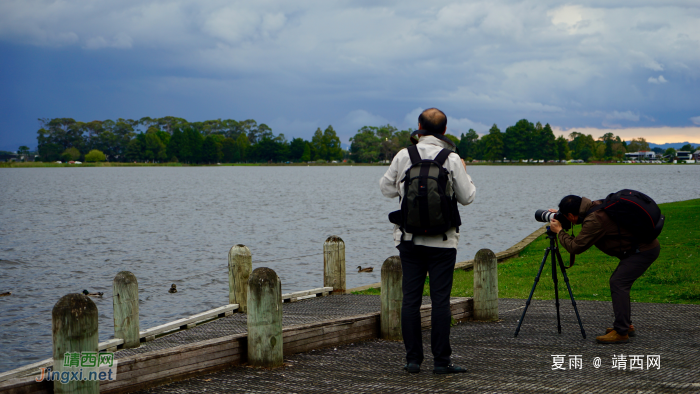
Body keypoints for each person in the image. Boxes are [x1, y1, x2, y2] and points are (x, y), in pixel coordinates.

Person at [379, 108, 476, 374]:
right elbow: (467, 197)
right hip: (443, 241)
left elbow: (386, 189)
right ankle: (442, 362)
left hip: (409, 239)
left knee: (410, 299)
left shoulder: (403, 155)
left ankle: (412, 361)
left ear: (419, 126)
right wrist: (464, 172)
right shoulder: (452, 157)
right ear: (444, 130)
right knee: (440, 301)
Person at [550, 195, 661, 344]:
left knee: (618, 282)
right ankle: (625, 325)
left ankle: (621, 332)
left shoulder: (594, 219)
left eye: (567, 216)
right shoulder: (596, 205)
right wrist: (560, 216)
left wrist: (559, 231)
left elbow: (575, 247)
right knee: (619, 282)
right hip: (641, 248)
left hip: (642, 251)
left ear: (571, 214)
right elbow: (589, 220)